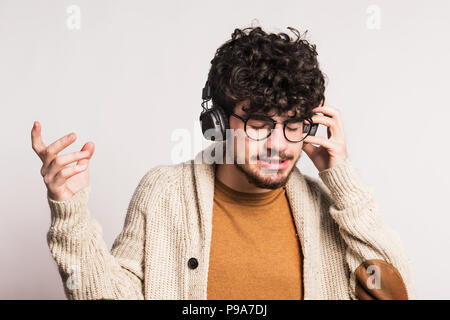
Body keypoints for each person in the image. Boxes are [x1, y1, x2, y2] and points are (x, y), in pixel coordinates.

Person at [31, 26, 416, 300]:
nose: (279, 146)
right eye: (259, 125)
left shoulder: (328, 209)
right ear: (216, 123)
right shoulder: (164, 193)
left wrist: (341, 177)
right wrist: (71, 214)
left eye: (294, 126)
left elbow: (398, 293)